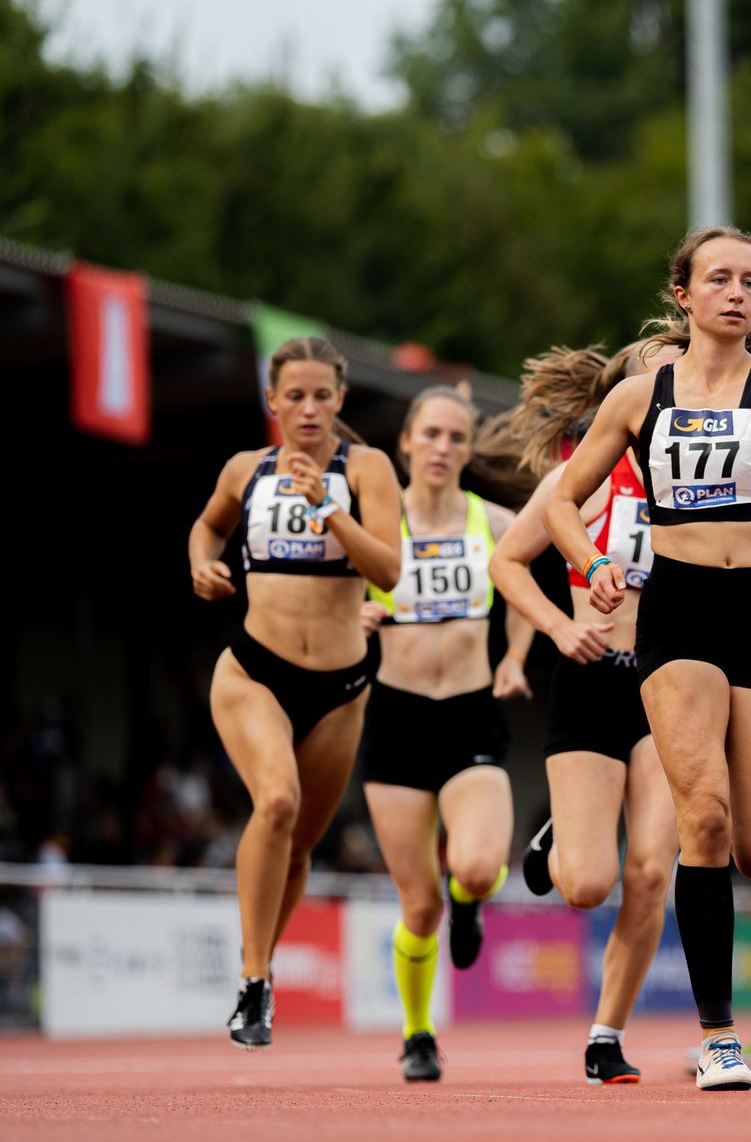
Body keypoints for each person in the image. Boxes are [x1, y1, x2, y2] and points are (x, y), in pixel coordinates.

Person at [547, 225, 751, 1091]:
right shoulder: (639, 397)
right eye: (719, 279)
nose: (737, 293)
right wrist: (595, 561)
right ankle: (719, 1036)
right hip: (678, 615)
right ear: (682, 296)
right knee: (707, 819)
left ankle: (716, 1018)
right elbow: (562, 505)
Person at [187, 336, 402, 1048]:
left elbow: (390, 570)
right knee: (274, 801)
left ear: (340, 400)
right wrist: (201, 563)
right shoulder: (244, 469)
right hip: (254, 672)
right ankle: (251, 983)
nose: (308, 408)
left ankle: (263, 967)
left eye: (321, 395)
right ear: (272, 401)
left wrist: (330, 509)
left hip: (340, 687)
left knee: (303, 842)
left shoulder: (365, 467)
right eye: (295, 395)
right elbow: (209, 524)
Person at [488, 341, 680, 1086]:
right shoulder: (583, 477)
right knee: (588, 885)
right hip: (594, 679)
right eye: (659, 369)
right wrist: (559, 627)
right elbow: (507, 561)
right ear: (624, 394)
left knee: (650, 871)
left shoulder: (700, 477)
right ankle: (563, 833)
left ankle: (608, 1034)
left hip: (668, 685)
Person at [358, 385, 531, 1082]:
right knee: (417, 903)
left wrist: (516, 655)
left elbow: (524, 590)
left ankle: (472, 906)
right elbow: (329, 602)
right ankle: (418, 1032)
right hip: (396, 716)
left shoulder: (495, 520)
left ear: (468, 450)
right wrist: (354, 623)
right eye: (430, 434)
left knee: (480, 866)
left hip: (468, 711)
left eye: (456, 438)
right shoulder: (374, 523)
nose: (442, 448)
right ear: (405, 442)